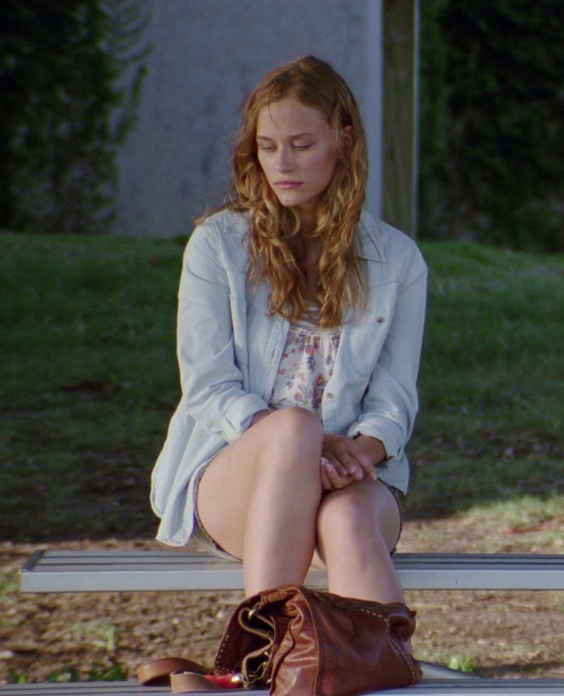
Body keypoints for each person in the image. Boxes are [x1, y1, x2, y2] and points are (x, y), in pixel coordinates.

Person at [149, 55, 427, 621]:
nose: (282, 163)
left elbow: (394, 400)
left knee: (349, 518)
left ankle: (378, 663)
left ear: (343, 143)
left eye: (302, 145)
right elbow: (209, 386)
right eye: (268, 146)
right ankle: (264, 648)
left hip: (347, 480)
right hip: (235, 479)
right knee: (294, 429)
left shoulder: (398, 260)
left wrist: (356, 455)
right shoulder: (218, 246)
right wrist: (303, 447)